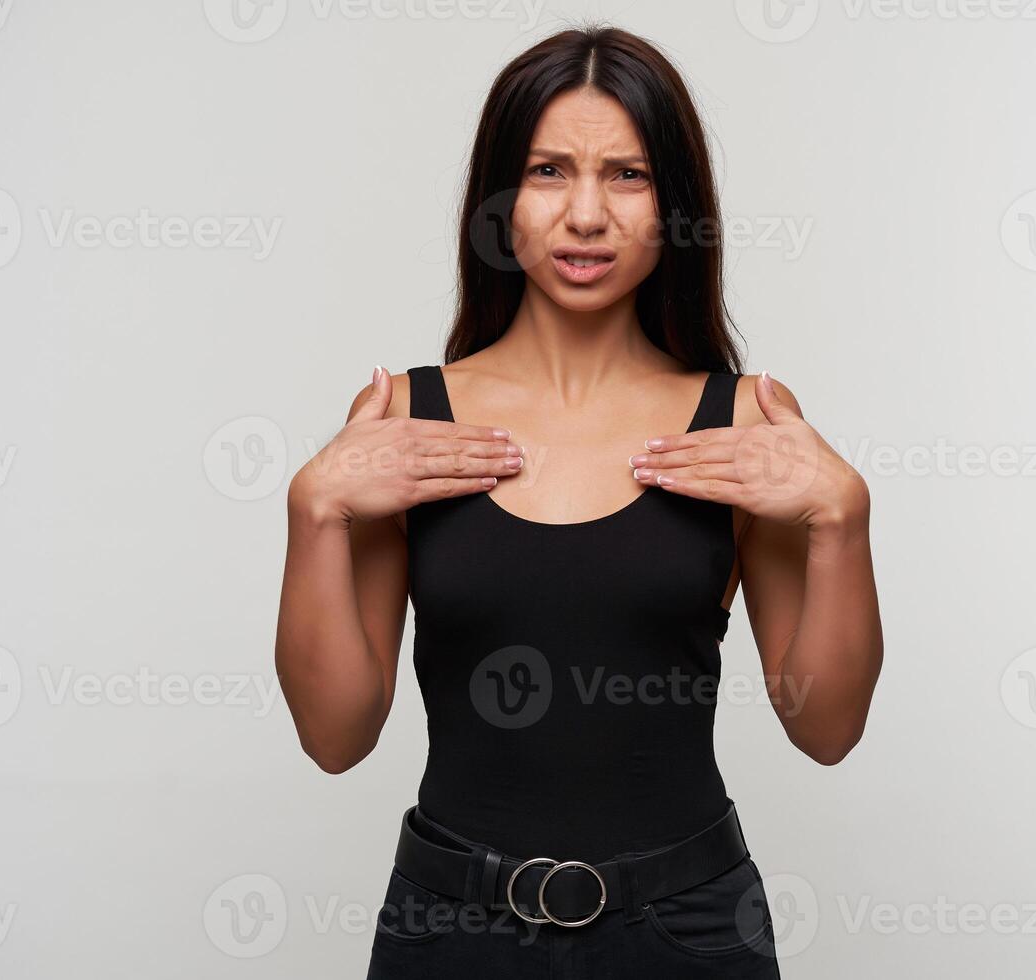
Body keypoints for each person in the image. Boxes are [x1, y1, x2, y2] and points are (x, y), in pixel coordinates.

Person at [275, 24, 883, 979]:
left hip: (690, 932)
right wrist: (312, 512)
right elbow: (336, 737)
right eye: (550, 171)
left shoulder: (746, 422)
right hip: (452, 932)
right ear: (501, 202)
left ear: (673, 202)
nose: (587, 215)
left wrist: (845, 521)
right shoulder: (402, 415)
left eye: (629, 176)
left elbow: (827, 729)